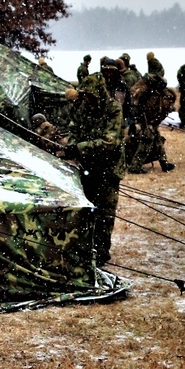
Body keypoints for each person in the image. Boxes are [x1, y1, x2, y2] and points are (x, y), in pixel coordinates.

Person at [57, 74, 124, 267]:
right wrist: (71, 145)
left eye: (90, 95)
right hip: (88, 166)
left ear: (99, 94)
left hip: (109, 168)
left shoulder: (113, 110)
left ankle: (102, 252)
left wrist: (79, 147)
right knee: (88, 209)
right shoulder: (83, 107)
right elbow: (75, 129)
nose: (87, 99)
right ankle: (87, 248)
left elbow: (110, 142)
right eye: (84, 95)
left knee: (105, 212)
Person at [129, 58, 175, 173]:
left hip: (151, 120)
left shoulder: (153, 85)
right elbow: (137, 103)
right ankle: (135, 167)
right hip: (145, 120)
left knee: (157, 141)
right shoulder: (144, 86)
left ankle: (164, 164)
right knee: (147, 140)